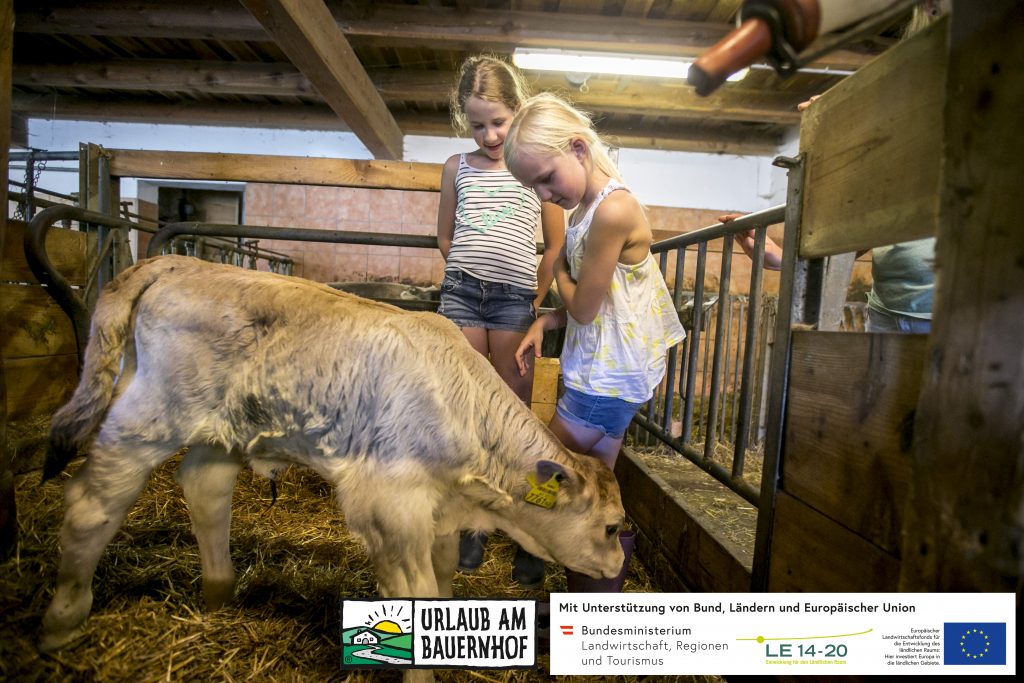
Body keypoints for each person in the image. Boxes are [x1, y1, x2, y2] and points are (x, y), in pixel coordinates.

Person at [505, 93, 686, 472]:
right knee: (599, 475)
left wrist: (555, 267)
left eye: (546, 178)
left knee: (546, 465)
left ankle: (534, 528)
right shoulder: (583, 214)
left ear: (578, 149)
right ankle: (610, 532)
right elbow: (596, 302)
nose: (543, 195)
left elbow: (585, 309)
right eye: (532, 187)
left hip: (608, 379)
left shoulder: (612, 211)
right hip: (608, 373)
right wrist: (546, 321)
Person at [436, 56, 565, 587]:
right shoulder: (456, 167)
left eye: (499, 122)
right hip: (463, 296)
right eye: (478, 125)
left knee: (515, 416)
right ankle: (473, 525)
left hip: (514, 301)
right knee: (465, 415)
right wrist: (466, 275)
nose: (490, 135)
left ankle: (529, 529)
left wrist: (530, 297)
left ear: (518, 112)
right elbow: (444, 235)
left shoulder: (534, 167)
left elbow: (555, 245)